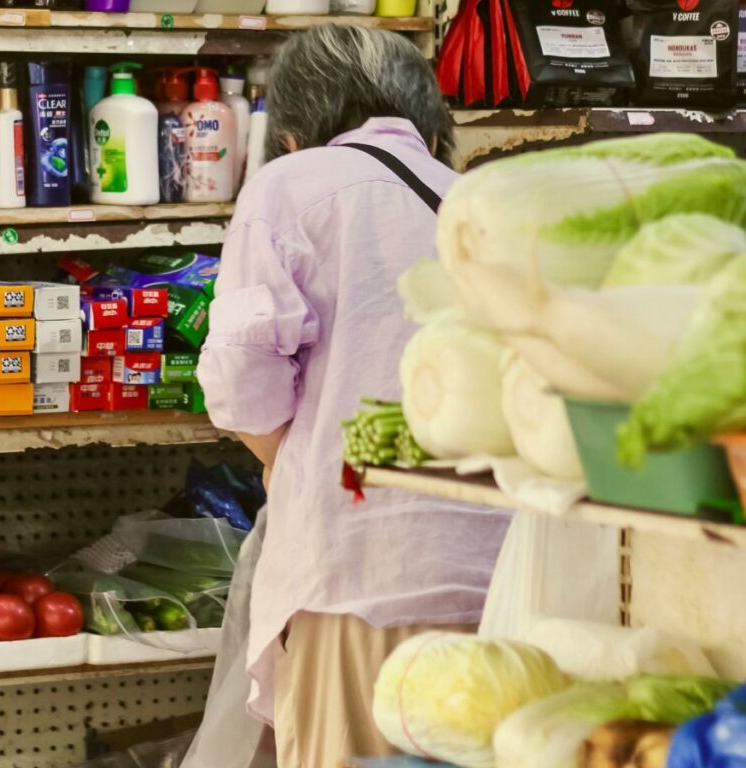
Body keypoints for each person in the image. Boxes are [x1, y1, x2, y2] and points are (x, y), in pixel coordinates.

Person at [197, 25, 512, 768]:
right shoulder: (476, 199)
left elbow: (243, 378)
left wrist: (280, 459)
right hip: (495, 569)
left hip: (356, 568)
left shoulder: (290, 185)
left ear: (296, 130)